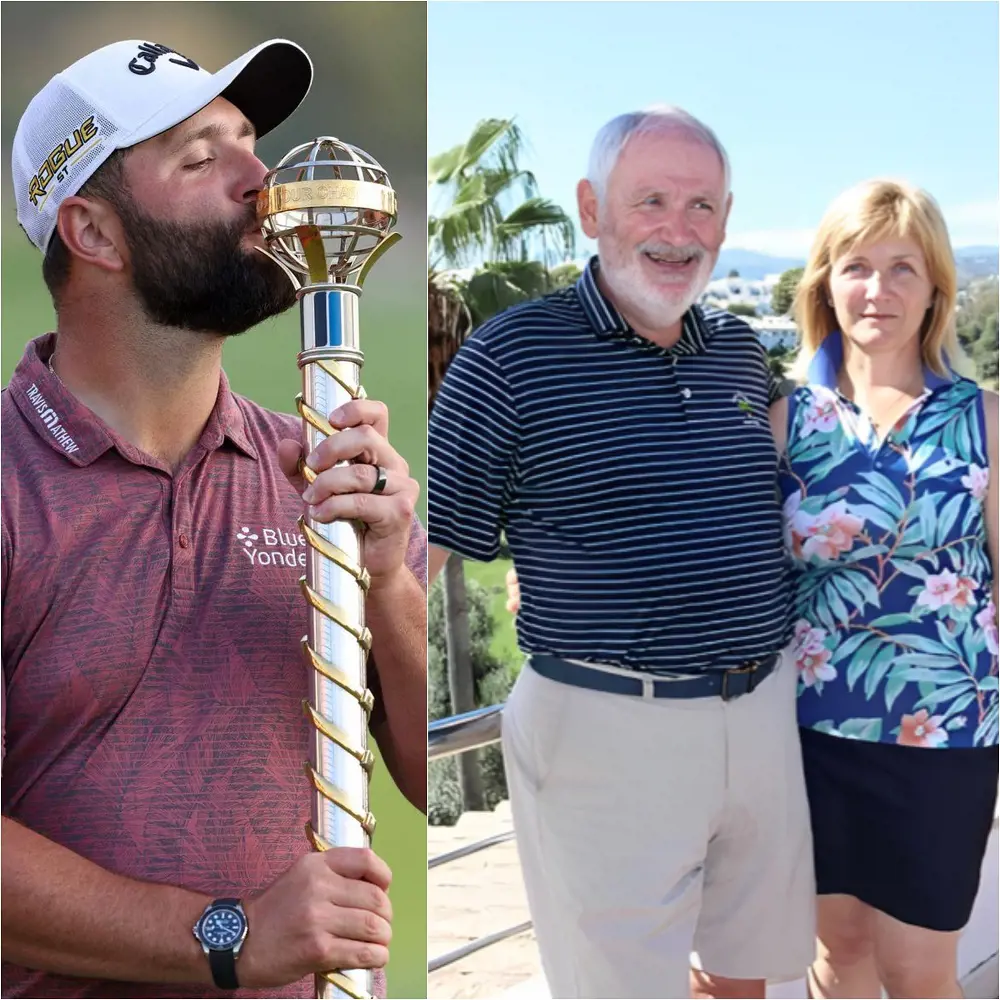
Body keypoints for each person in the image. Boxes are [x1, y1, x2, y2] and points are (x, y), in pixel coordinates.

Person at [2, 39, 427, 999]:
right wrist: (225, 936)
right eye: (202, 159)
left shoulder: (318, 466)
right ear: (94, 234)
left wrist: (390, 578)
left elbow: (428, 773)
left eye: (249, 141)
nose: (260, 180)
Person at [427, 107, 814, 1000]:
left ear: (727, 218)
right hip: (606, 726)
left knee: (744, 977)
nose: (679, 231)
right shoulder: (509, 356)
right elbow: (432, 547)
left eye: (702, 206)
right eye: (652, 201)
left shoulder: (740, 354)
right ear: (591, 207)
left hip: (761, 713)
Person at [771, 179, 998, 999]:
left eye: (904, 267)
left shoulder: (986, 421)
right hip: (810, 733)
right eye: (857, 266)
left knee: (919, 973)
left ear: (937, 285)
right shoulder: (786, 420)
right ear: (825, 283)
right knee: (839, 960)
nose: (878, 290)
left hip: (947, 742)